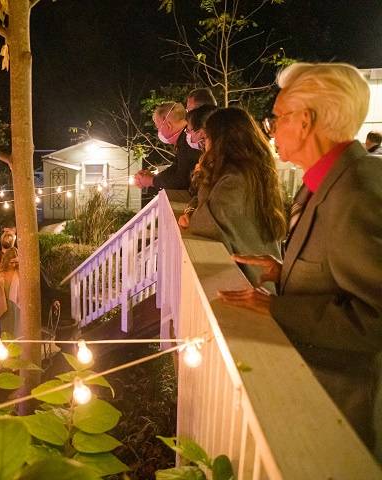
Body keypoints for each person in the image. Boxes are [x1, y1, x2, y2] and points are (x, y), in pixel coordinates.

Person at [219, 63, 382, 460]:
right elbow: (334, 266)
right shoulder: (326, 181)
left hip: (339, 408)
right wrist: (284, 268)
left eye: (275, 117)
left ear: (305, 121)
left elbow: (374, 318)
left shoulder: (357, 194)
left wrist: (276, 305)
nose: (270, 129)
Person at [180, 107, 286, 286]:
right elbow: (200, 201)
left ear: (221, 140)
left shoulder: (236, 179)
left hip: (252, 277)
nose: (204, 145)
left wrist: (192, 216)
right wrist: (192, 209)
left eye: (207, 138)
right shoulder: (250, 170)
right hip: (257, 267)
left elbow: (211, 220)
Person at [134, 102, 201, 191]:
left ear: (168, 125)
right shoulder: (183, 140)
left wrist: (152, 181)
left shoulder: (189, 141)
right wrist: (154, 178)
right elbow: (176, 169)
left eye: (158, 127)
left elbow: (182, 181)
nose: (159, 132)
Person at [0, 248, 20, 338]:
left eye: (16, 262)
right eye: (12, 262)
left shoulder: (19, 272)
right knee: (3, 334)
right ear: (6, 260)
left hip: (16, 307)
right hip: (1, 306)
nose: (14, 265)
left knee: (15, 333)